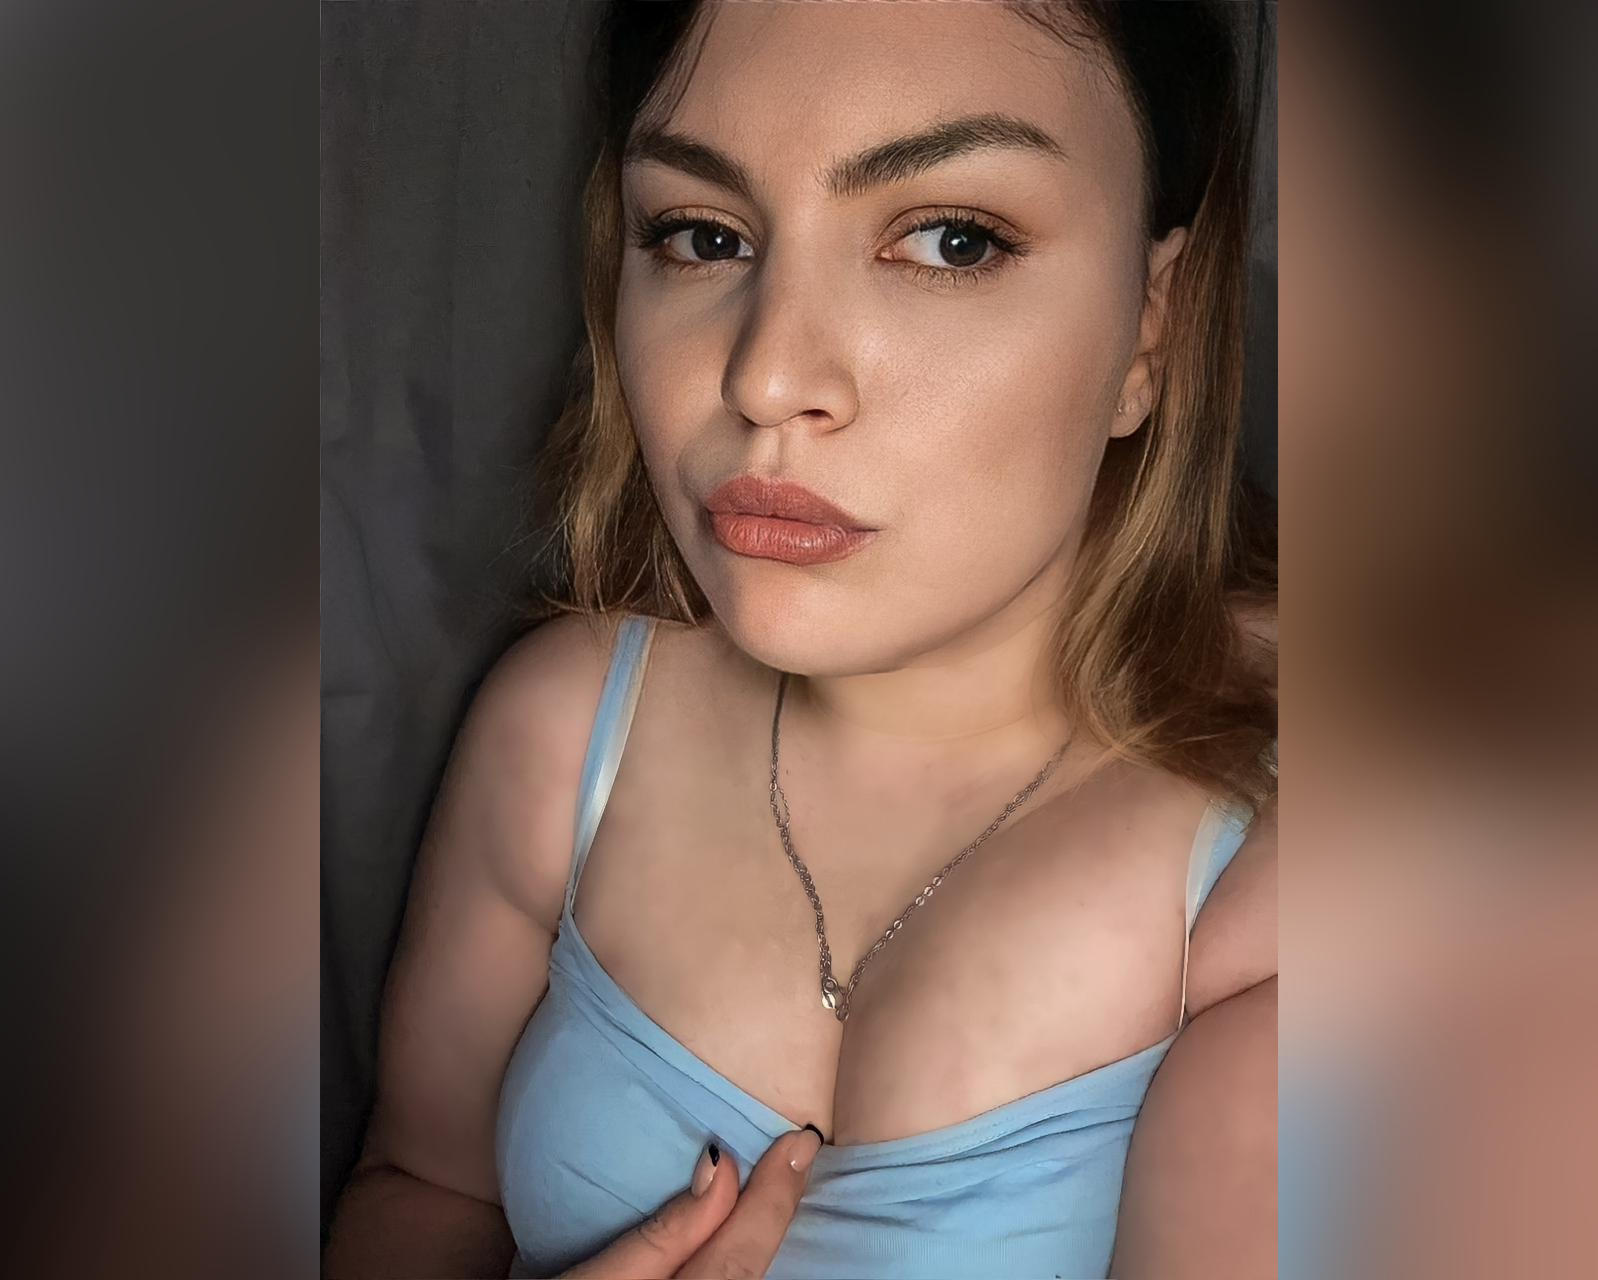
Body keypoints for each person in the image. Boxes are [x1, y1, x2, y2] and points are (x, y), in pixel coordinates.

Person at [324, 1, 1277, 1276]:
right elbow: (421, 1185)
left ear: (1150, 321)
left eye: (949, 240)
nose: (764, 378)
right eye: (702, 235)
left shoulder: (1321, 830)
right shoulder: (560, 732)